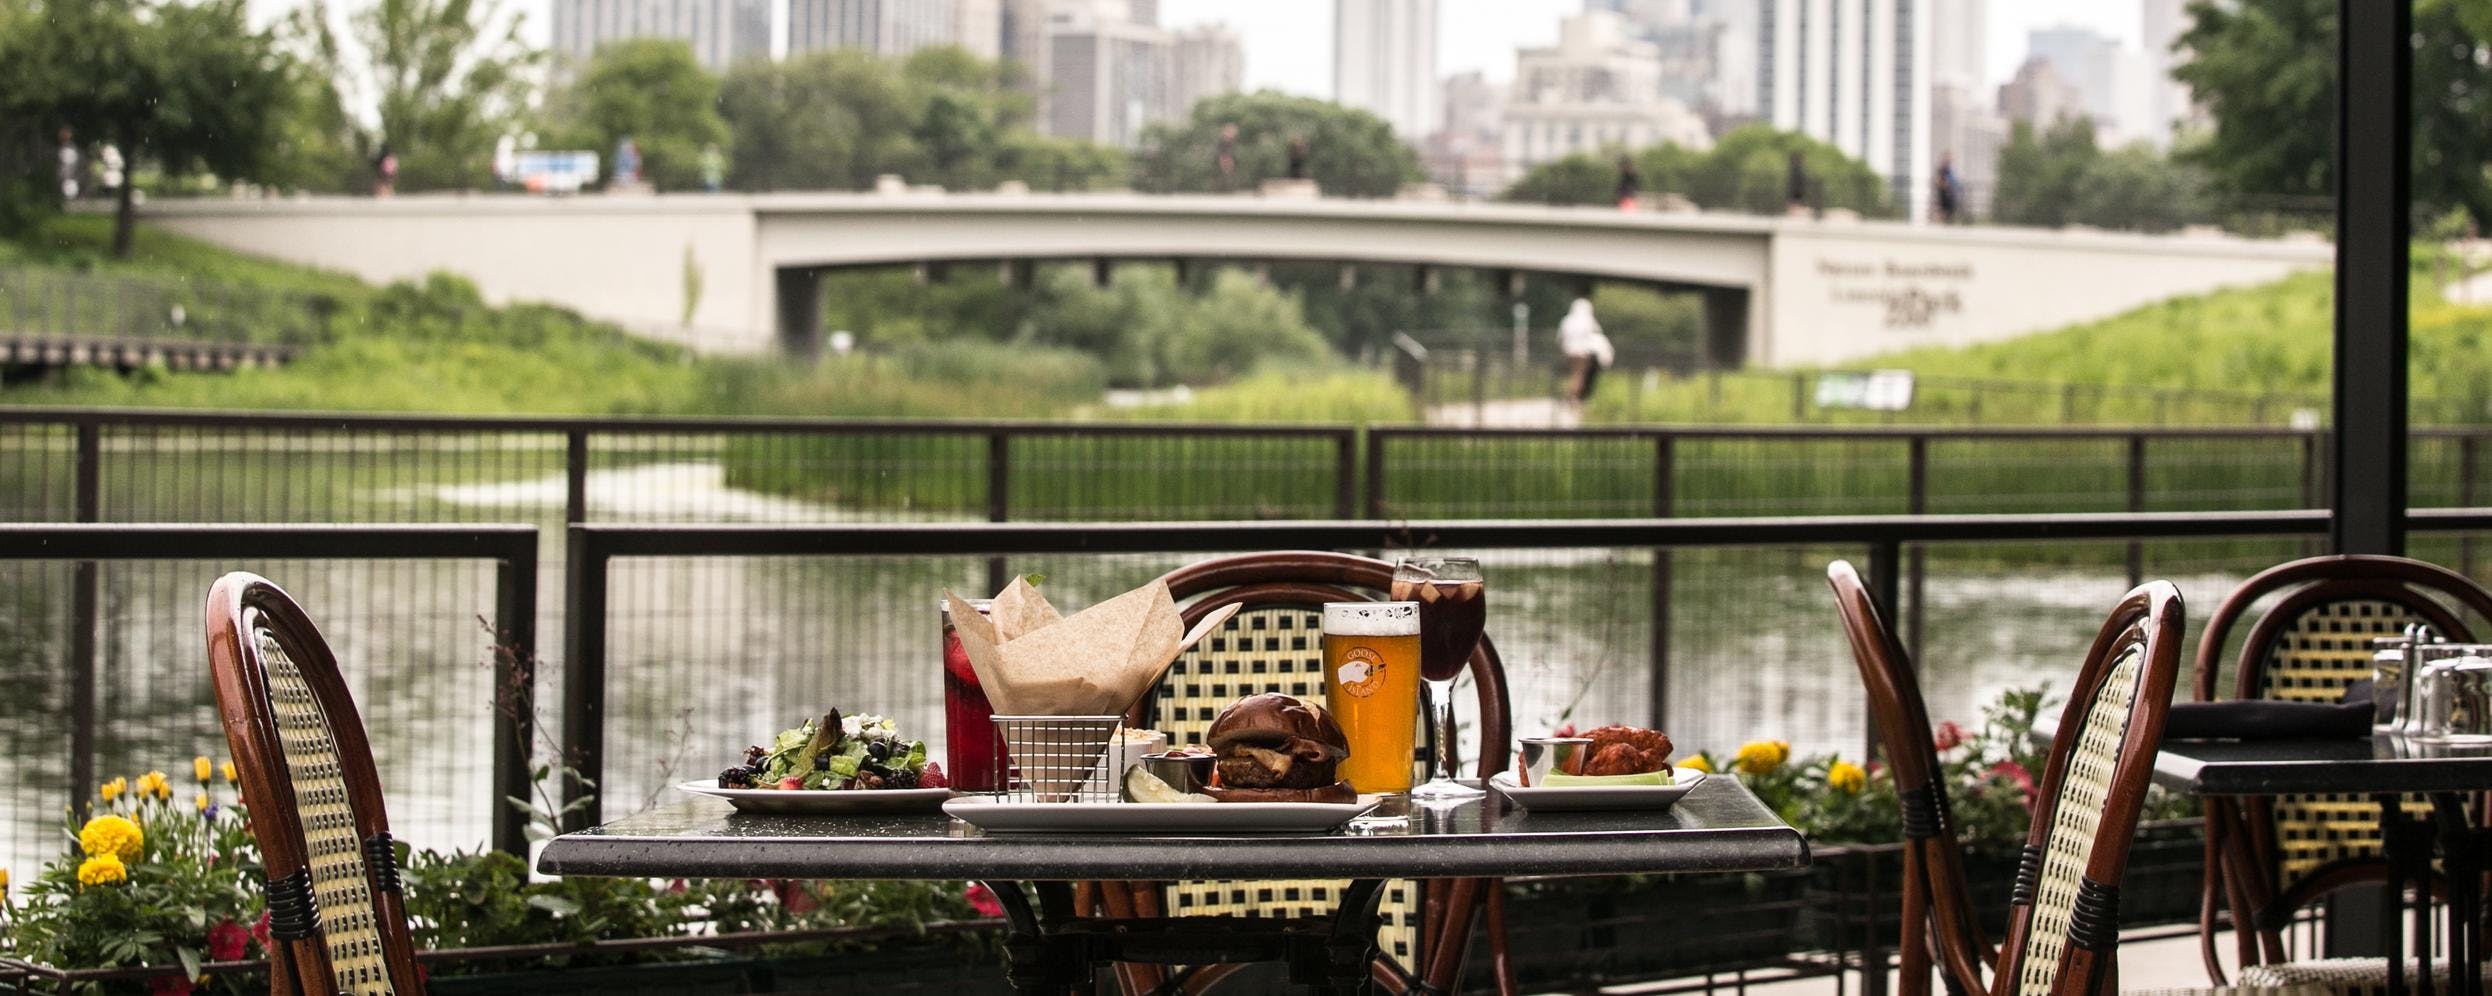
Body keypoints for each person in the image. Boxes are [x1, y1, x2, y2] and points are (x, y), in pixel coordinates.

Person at [1559, 297, 1615, 409]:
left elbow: (1561, 336)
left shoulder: (1567, 320)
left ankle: (1572, 396)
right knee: (1579, 375)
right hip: (1583, 352)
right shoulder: (1588, 321)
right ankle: (1572, 397)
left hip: (1569, 351)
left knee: (1574, 374)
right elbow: (1595, 334)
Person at [1932, 153, 1962, 224]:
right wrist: (1945, 186)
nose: (1949, 160)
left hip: (1949, 192)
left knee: (1950, 209)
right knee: (1943, 209)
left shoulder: (1949, 169)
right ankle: (1937, 222)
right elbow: (1938, 180)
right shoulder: (1942, 169)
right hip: (1943, 192)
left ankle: (1945, 222)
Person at [55, 128, 79, 201]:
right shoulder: (66, 148)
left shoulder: (68, 149)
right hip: (66, 177)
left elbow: (68, 165)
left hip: (68, 178)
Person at [1785, 150, 1810, 215]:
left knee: (1798, 204)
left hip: (1798, 190)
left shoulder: (1797, 170)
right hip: (1796, 190)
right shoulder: (1795, 170)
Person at [1215, 122, 1239, 187]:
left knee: (1228, 167)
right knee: (1226, 165)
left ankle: (1227, 179)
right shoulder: (1224, 138)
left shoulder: (1229, 139)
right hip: (1224, 154)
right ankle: (1226, 179)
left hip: (1227, 154)